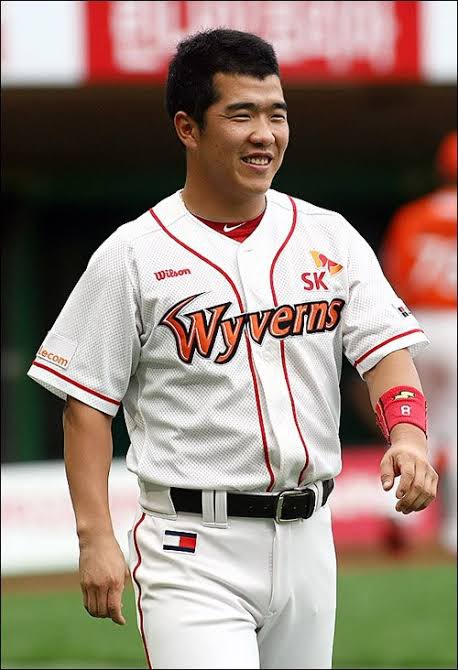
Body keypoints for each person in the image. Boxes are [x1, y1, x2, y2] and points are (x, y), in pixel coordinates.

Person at [28, 29, 438, 670]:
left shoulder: (328, 234)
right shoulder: (133, 254)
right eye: (241, 115)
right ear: (187, 128)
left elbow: (384, 350)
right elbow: (86, 407)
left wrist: (408, 435)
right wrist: (95, 537)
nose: (264, 134)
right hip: (193, 544)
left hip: (309, 536)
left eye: (277, 114)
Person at [381, 130, 457, 554]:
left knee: (410, 421)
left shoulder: (413, 216)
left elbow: (393, 277)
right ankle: (452, 529)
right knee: (453, 429)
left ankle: (393, 511)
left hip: (419, 322)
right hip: (456, 325)